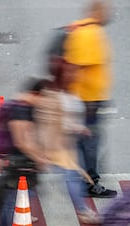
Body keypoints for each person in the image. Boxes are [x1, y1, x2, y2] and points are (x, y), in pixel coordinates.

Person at [35, 61, 100, 224]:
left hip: (64, 144)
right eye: (71, 72)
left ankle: (83, 210)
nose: (75, 75)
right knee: (69, 175)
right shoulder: (58, 96)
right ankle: (83, 211)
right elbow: (59, 122)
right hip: (57, 145)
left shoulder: (64, 92)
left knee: (41, 176)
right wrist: (79, 128)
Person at [64, 0, 116, 198]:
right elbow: (78, 67)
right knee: (89, 142)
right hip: (87, 101)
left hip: (87, 99)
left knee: (84, 141)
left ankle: (83, 178)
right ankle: (90, 183)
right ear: (98, 12)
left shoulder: (82, 29)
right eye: (105, 11)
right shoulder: (90, 33)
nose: (108, 14)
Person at [0, 78, 51, 226]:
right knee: (10, 202)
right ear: (37, 94)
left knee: (24, 195)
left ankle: (11, 225)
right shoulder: (21, 109)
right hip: (16, 163)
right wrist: (39, 158)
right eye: (45, 98)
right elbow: (21, 141)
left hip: (23, 163)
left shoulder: (28, 108)